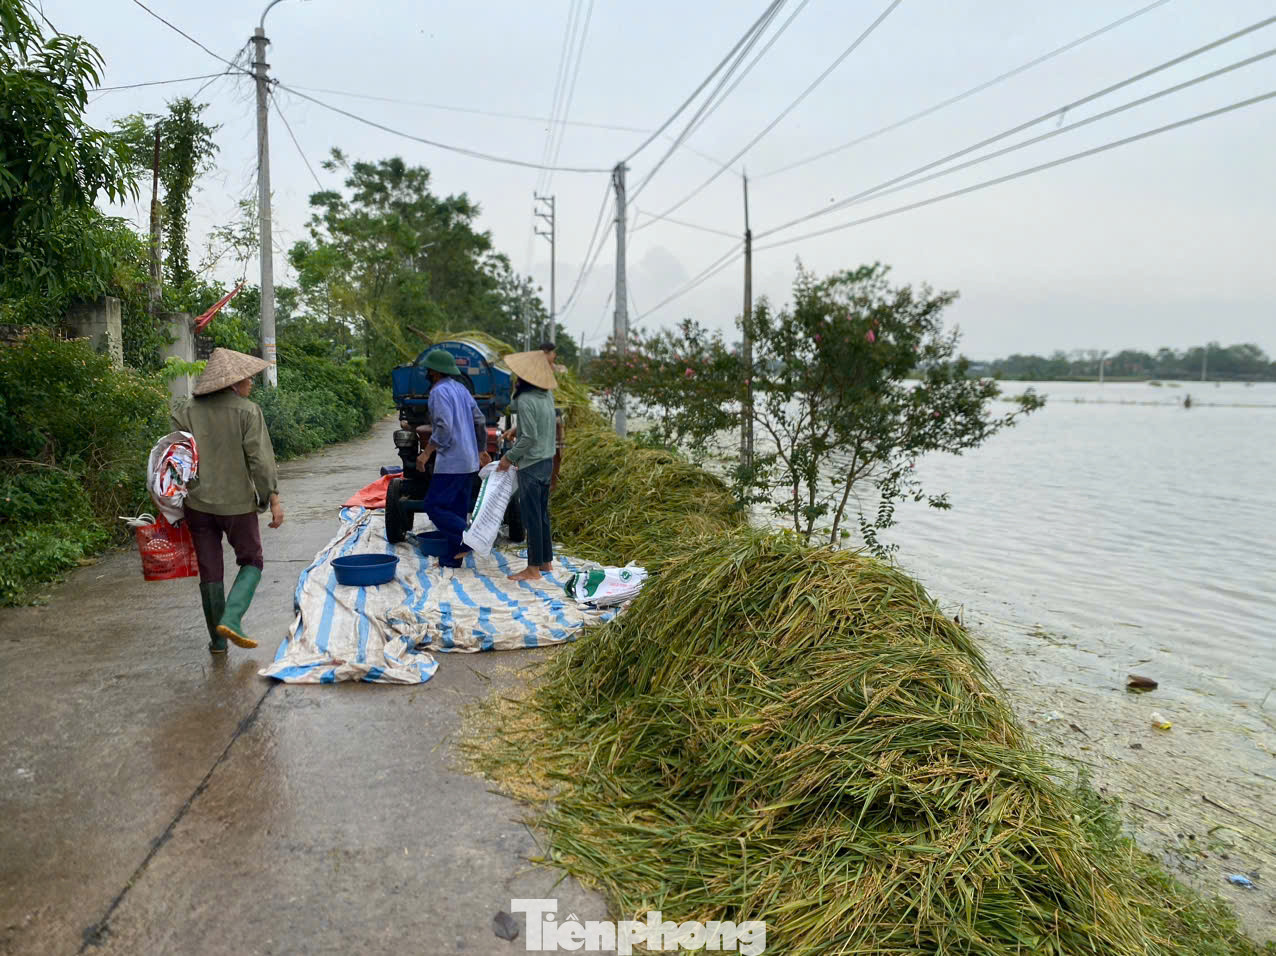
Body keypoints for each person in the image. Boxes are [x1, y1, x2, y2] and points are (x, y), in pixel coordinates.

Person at [171, 348, 284, 654]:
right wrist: (271, 498)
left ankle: (218, 641)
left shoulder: (186, 411)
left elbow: (175, 460)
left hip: (196, 504)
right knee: (252, 561)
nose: (251, 383)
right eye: (247, 378)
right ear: (233, 383)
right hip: (237, 505)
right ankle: (232, 618)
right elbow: (260, 461)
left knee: (210, 570)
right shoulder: (247, 411)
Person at [416, 349, 489, 568]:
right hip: (469, 461)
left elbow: (444, 427)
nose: (428, 374)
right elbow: (481, 420)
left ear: (435, 373)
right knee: (457, 509)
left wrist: (426, 452)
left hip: (452, 463)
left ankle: (469, 538)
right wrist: (481, 449)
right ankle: (452, 559)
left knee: (434, 506)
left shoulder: (438, 392)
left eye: (429, 370)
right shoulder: (461, 389)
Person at [498, 350, 558, 581]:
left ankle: (532, 569)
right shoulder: (546, 396)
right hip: (546, 462)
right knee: (542, 514)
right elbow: (540, 425)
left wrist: (508, 458)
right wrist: (516, 429)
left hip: (531, 465)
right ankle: (546, 562)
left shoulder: (524, 400)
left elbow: (529, 438)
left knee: (531, 517)